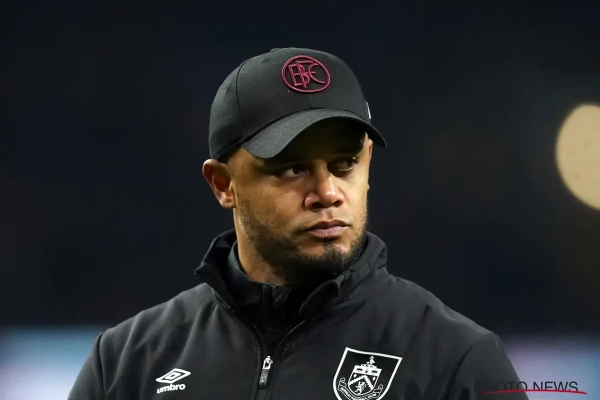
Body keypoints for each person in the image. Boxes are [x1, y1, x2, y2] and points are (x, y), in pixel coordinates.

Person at [68, 47, 527, 400]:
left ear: (367, 161)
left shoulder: (457, 360)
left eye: (345, 164)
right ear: (223, 184)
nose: (327, 192)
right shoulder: (128, 363)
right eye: (292, 168)